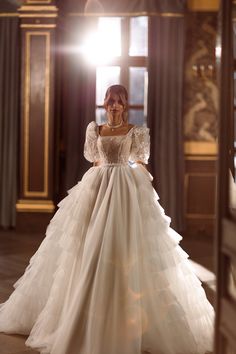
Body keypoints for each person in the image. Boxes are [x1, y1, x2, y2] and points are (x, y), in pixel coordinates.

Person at [0, 84, 214, 354]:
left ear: (125, 105)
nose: (114, 105)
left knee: (125, 246)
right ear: (104, 103)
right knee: (87, 245)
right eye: (110, 101)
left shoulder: (136, 132)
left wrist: (144, 196)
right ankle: (82, 311)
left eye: (119, 101)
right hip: (97, 187)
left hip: (125, 188)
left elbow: (141, 162)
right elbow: (94, 160)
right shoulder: (95, 129)